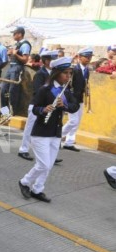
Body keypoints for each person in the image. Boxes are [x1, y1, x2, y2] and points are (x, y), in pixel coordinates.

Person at [19, 57, 79, 203]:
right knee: (44, 164)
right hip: (41, 132)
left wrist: (63, 105)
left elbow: (75, 106)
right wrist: (43, 109)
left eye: (69, 73)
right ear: (57, 73)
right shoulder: (45, 89)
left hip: (55, 132)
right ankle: (25, 182)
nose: (68, 76)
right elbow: (34, 108)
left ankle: (37, 189)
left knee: (49, 165)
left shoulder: (66, 91)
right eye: (65, 73)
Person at [18, 49, 58, 161]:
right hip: (38, 105)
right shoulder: (41, 74)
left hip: (49, 106)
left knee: (47, 130)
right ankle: (23, 150)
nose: (54, 61)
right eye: (51, 59)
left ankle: (48, 155)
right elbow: (37, 91)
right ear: (45, 61)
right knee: (29, 129)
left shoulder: (54, 74)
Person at [61, 47, 92, 152]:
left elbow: (85, 82)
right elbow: (64, 67)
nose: (88, 59)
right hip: (71, 98)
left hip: (80, 98)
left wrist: (86, 90)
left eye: (90, 57)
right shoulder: (74, 68)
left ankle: (69, 142)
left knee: (77, 122)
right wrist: (71, 58)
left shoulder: (86, 70)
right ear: (79, 57)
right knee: (73, 121)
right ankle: (58, 136)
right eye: (86, 56)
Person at [2, 26, 31, 113]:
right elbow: (13, 57)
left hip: (17, 68)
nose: (13, 35)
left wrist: (15, 54)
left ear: (20, 34)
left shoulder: (25, 44)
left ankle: (13, 113)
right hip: (11, 67)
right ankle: (4, 113)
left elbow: (25, 60)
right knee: (3, 90)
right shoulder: (16, 44)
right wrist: (10, 54)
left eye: (14, 33)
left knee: (12, 92)